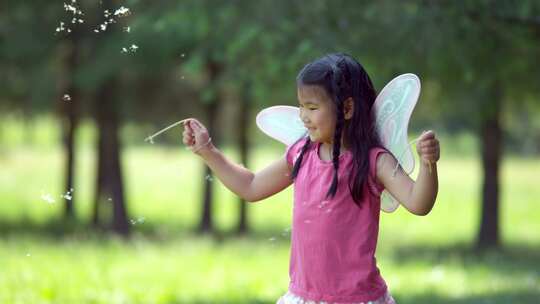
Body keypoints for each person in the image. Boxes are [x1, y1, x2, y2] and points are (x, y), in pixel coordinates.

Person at [182, 53, 440, 304]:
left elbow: (419, 203)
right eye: (301, 106)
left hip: (357, 299)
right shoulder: (301, 154)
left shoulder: (373, 161)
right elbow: (251, 186)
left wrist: (428, 164)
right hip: (305, 296)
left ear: (347, 108)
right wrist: (208, 151)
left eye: (312, 107)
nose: (303, 116)